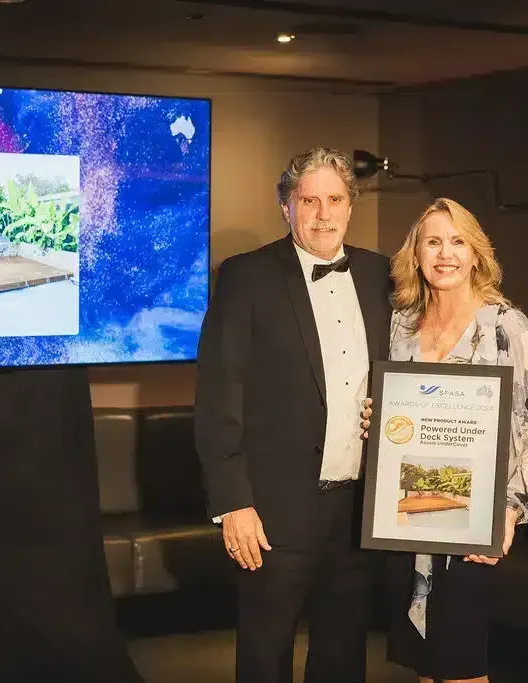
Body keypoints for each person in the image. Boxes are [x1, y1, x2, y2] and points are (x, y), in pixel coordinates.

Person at [194, 147, 393, 683]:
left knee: (344, 655)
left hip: (357, 509)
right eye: (309, 200)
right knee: (265, 655)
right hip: (274, 512)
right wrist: (233, 502)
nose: (323, 213)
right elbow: (218, 397)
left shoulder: (382, 276)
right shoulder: (245, 276)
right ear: (287, 207)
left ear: (351, 207)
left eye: (334, 199)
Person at [360, 198, 528, 683]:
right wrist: (377, 419)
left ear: (476, 254)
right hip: (408, 519)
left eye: (457, 241)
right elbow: (398, 419)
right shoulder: (402, 326)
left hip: (475, 526)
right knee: (429, 667)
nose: (444, 253)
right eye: (433, 241)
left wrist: (508, 514)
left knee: (462, 668)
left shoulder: (506, 326)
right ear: (416, 253)